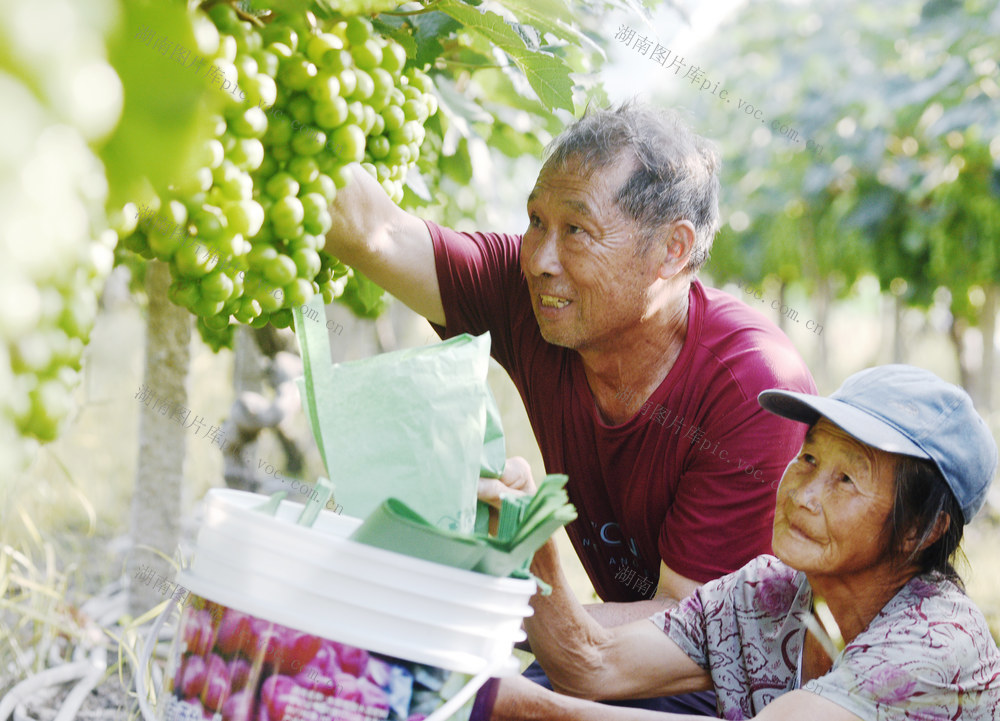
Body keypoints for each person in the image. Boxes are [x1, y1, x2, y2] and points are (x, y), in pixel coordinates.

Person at [324, 101, 816, 714]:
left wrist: (460, 607)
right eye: (535, 220)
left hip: (724, 685)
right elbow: (374, 233)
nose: (538, 258)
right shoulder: (532, 294)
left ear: (671, 250)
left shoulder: (750, 387)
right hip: (603, 658)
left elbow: (682, 632)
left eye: (576, 230)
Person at [481, 364, 1000, 720]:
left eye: (847, 481)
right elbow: (592, 663)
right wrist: (533, 545)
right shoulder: (769, 596)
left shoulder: (937, 644)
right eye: (810, 458)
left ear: (920, 530)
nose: (804, 493)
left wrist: (510, 702)